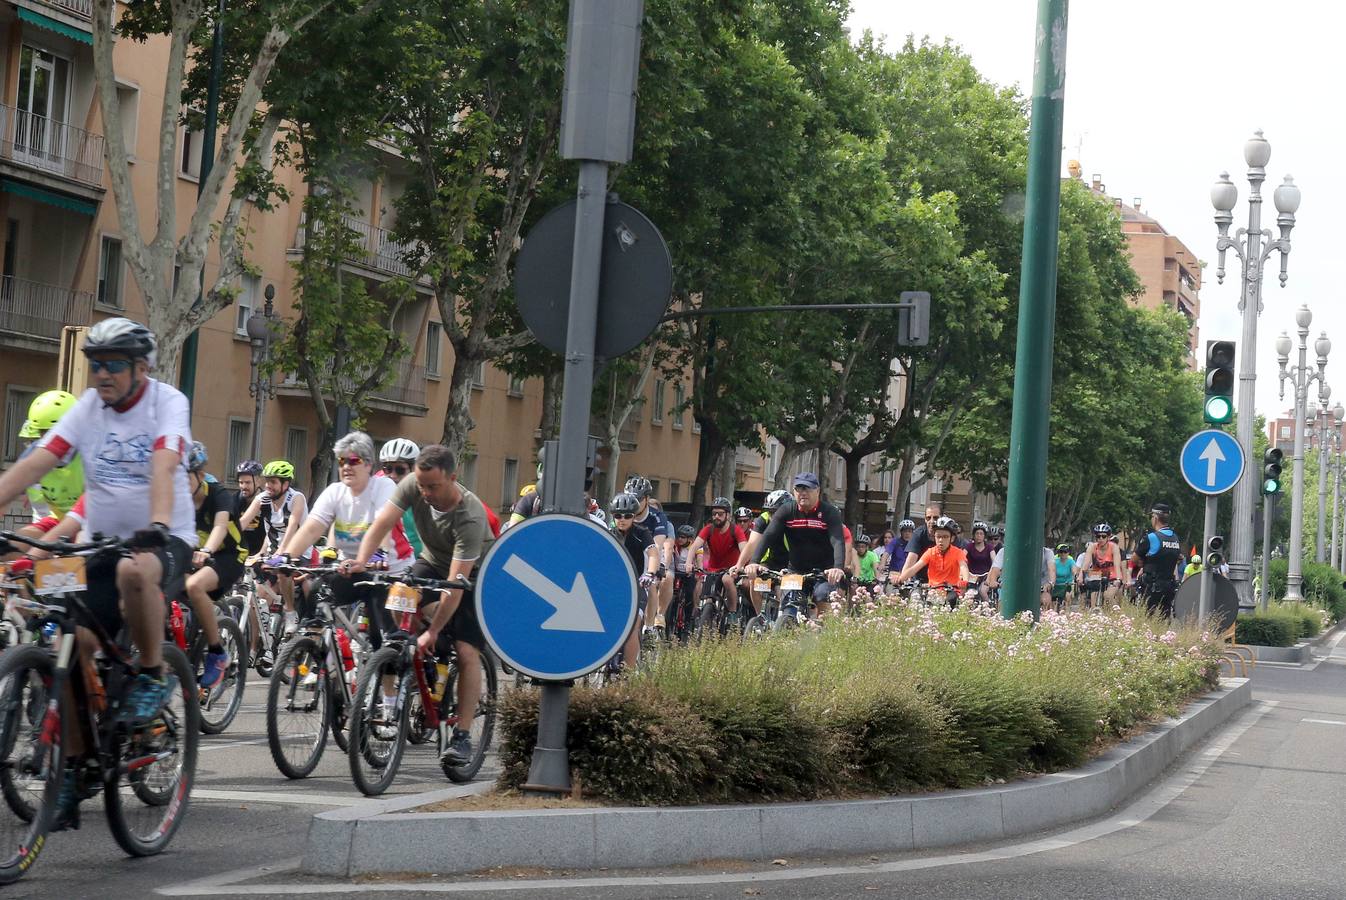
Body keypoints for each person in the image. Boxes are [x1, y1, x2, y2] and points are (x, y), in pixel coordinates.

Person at [0, 317, 196, 829]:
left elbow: (163, 463)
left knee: (135, 571)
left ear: (141, 368)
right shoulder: (88, 409)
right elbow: (36, 463)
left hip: (163, 539)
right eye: (96, 365)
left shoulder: (167, 402)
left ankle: (151, 673)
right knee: (69, 639)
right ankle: (77, 766)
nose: (102, 374)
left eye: (114, 365)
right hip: (100, 544)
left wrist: (157, 524)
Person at [344, 444, 491, 765]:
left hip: (473, 573)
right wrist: (361, 560)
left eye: (433, 487)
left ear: (452, 478)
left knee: (467, 651)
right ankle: (420, 659)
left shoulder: (469, 516)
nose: (425, 493)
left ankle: (462, 736)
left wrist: (433, 630)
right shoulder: (415, 482)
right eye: (421, 485)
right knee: (399, 593)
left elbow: (454, 586)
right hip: (432, 560)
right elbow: (382, 523)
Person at [275, 431, 414, 647]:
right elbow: (311, 529)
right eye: (342, 461)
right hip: (352, 569)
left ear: (368, 465)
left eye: (353, 460)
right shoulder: (335, 492)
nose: (346, 466)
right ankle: (319, 656)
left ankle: (386, 662)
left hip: (390, 571)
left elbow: (383, 525)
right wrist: (286, 556)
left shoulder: (383, 486)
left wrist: (380, 553)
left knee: (384, 640)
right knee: (317, 593)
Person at [741, 473, 846, 614]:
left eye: (807, 489)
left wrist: (837, 568)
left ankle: (822, 627)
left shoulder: (829, 512)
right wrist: (754, 562)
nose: (803, 493)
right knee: (788, 609)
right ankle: (785, 624)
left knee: (822, 597)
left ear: (817, 491)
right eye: (798, 489)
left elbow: (838, 541)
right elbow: (768, 536)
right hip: (795, 570)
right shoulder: (787, 510)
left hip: (824, 572)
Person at [182, 442, 242, 687]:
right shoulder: (177, 499)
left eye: (185, 477)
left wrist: (206, 550)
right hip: (194, 555)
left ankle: (217, 653)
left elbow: (220, 526)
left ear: (200, 475)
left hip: (229, 555)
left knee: (194, 586)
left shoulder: (218, 494)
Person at [15, 390, 84, 534]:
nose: (47, 440)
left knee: (80, 542)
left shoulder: (89, 457)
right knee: (18, 540)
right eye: (42, 433)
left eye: (53, 432)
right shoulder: (34, 453)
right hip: (58, 520)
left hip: (89, 526)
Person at [609, 492, 659, 667]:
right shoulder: (608, 534)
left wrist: (650, 574)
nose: (622, 520)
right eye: (618, 515)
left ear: (634, 516)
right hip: (614, 587)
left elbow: (653, 554)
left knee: (632, 628)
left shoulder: (642, 533)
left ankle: (628, 673)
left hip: (637, 585)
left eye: (627, 516)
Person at [686, 497, 748, 624]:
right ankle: (699, 612)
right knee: (704, 587)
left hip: (731, 569)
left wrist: (740, 566)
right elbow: (694, 546)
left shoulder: (735, 530)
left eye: (720, 514)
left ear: (728, 515)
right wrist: (688, 562)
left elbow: (744, 549)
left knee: (727, 580)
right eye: (714, 514)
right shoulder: (708, 529)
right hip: (713, 569)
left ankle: (732, 613)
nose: (716, 517)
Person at [624, 475, 675, 629]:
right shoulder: (623, 514)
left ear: (646, 499)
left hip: (649, 554)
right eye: (631, 499)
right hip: (629, 553)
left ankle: (649, 627)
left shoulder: (657, 517)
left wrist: (651, 571)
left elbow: (657, 545)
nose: (633, 504)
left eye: (638, 500)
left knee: (650, 584)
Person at [894, 516, 970, 606]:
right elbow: (915, 568)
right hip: (932, 590)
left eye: (945, 537)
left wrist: (965, 581)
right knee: (919, 604)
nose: (941, 540)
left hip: (951, 590)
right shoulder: (930, 552)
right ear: (934, 537)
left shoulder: (958, 552)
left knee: (950, 602)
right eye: (938, 536)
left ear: (952, 538)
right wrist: (900, 579)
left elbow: (963, 567)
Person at [1134, 502, 1184, 617]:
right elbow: (1177, 558)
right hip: (1169, 585)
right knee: (1164, 618)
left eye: (1152, 517)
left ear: (1155, 518)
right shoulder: (1175, 538)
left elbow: (1134, 559)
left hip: (1151, 585)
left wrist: (1144, 563)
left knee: (1146, 618)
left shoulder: (1152, 537)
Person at [379, 438, 423, 556]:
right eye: (388, 469)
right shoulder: (377, 487)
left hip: (418, 559)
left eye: (400, 470)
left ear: (414, 469)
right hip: (384, 558)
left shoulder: (425, 493)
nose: (392, 475)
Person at [1080, 522, 1126, 608]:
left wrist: (1118, 579)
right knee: (1093, 599)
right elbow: (1085, 564)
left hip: (1112, 574)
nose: (1100, 539)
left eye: (1103, 536)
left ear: (1108, 537)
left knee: (1108, 596)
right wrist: (1080, 577)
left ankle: (1117, 613)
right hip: (1096, 574)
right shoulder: (1092, 547)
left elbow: (1117, 565)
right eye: (1098, 536)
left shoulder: (1114, 547)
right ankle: (1094, 612)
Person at [234, 460, 267, 558]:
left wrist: (261, 554)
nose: (243, 486)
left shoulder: (267, 502)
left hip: (261, 554)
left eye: (248, 482)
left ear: (258, 481)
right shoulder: (235, 500)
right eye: (241, 482)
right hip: (239, 553)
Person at [965, 521, 996, 601]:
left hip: (986, 575)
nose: (979, 536)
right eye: (977, 533)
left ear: (984, 536)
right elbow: (961, 557)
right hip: (971, 576)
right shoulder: (969, 546)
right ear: (973, 535)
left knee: (982, 591)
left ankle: (988, 606)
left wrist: (990, 576)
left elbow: (994, 561)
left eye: (981, 534)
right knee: (969, 595)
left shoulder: (989, 547)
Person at [1049, 544, 1077, 611]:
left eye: (1065, 552)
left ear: (1068, 553)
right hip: (1056, 585)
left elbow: (1074, 571)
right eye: (1061, 552)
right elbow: (1051, 571)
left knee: (1067, 597)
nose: (1063, 554)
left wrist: (1075, 576)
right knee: (1053, 602)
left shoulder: (1071, 561)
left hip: (1067, 584)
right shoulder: (1055, 561)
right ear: (1058, 553)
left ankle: (1067, 611)